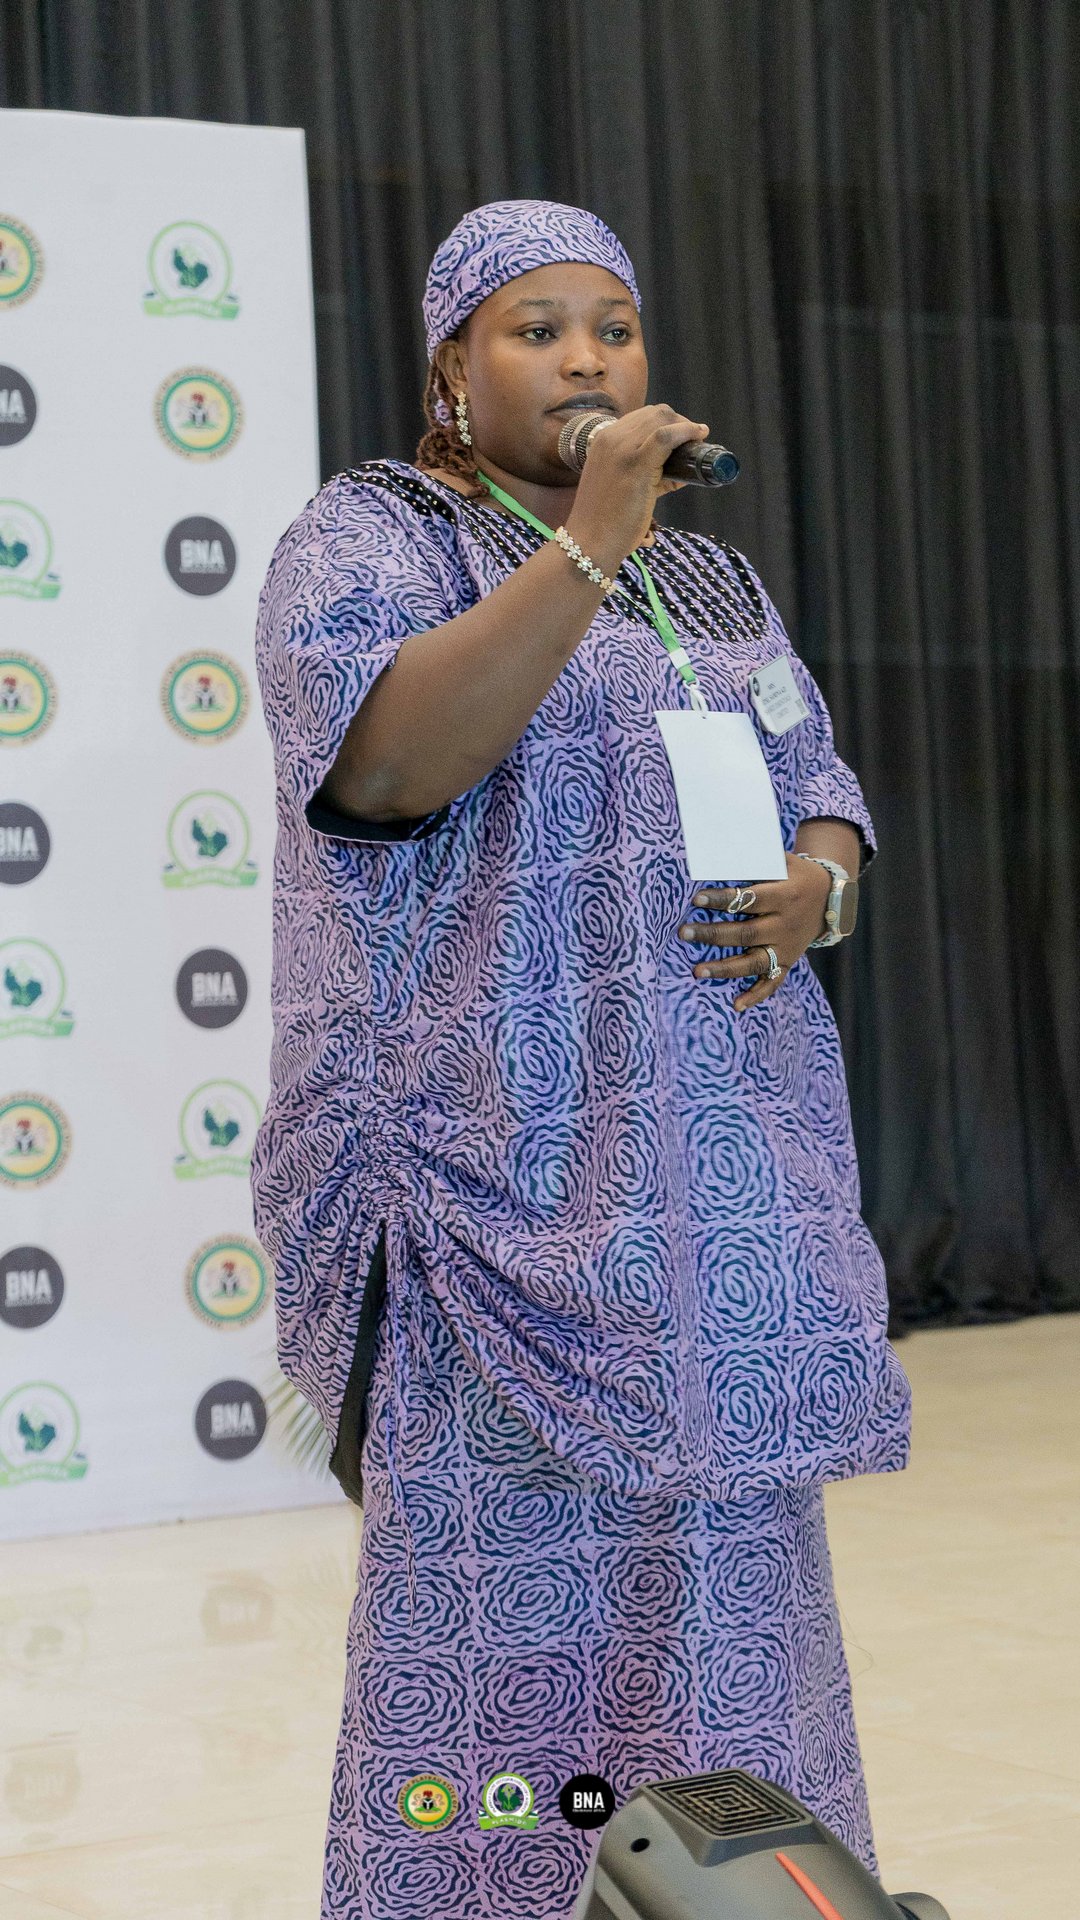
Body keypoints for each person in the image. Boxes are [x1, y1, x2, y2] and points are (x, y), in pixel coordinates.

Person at [251, 198, 912, 1920]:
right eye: (536, 329)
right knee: (504, 1640)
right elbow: (387, 770)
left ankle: (732, 1895)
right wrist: (591, 543)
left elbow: (817, 773)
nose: (588, 359)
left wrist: (823, 882)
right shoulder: (372, 537)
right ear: (452, 370)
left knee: (728, 1613)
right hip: (500, 1185)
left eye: (613, 327)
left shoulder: (712, 576)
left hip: (721, 1197)